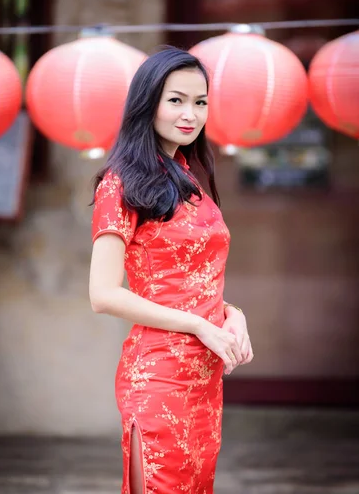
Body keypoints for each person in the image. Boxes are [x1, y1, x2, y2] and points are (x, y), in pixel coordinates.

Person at [89, 46, 254, 494]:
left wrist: (231, 315)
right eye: (176, 99)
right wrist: (199, 326)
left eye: (200, 102)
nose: (191, 114)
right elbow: (103, 294)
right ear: (148, 103)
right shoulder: (121, 184)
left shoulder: (188, 177)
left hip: (204, 377)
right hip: (159, 375)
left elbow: (193, 277)